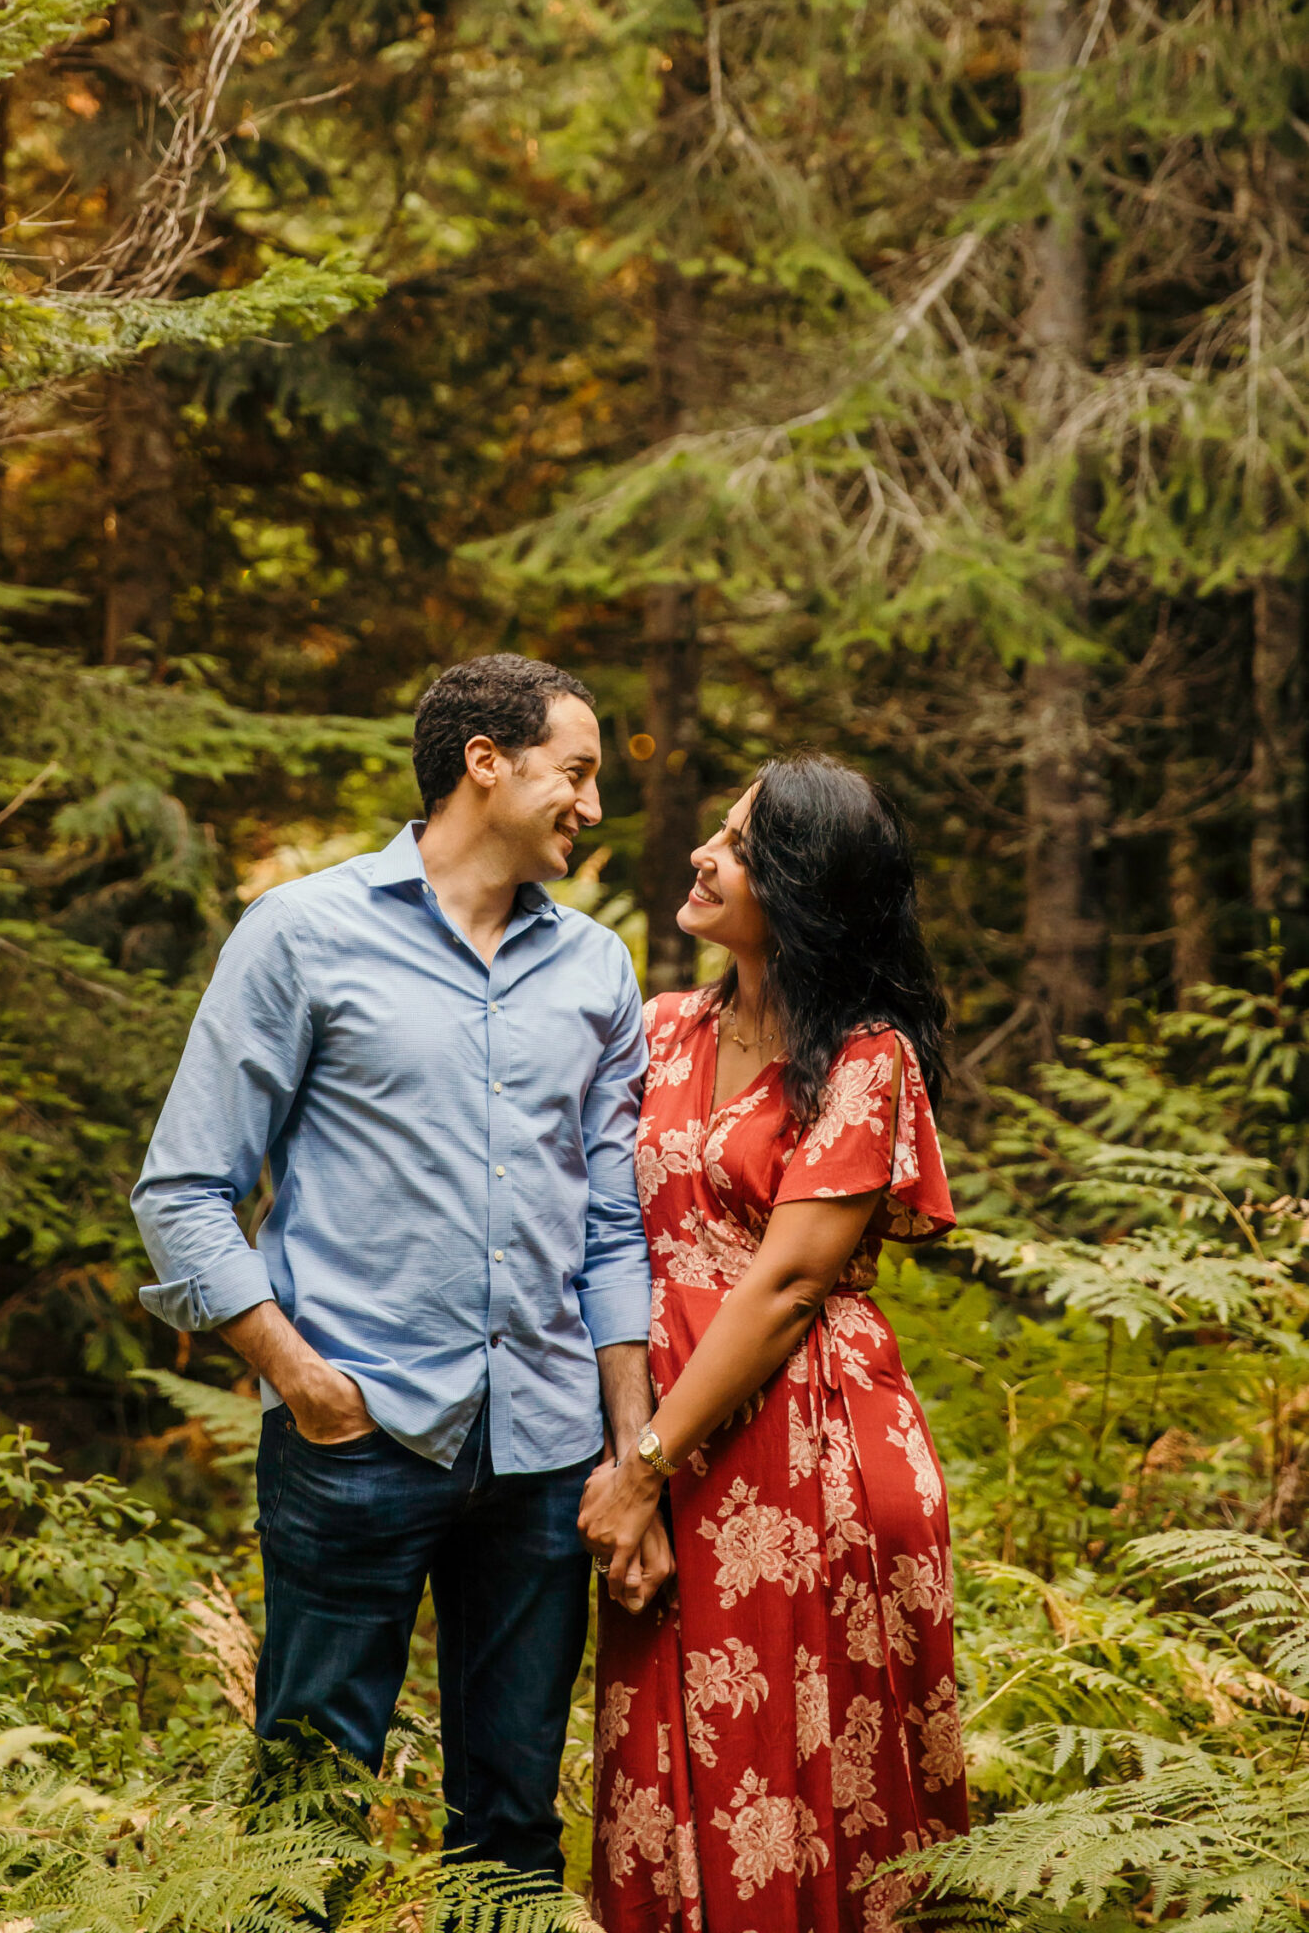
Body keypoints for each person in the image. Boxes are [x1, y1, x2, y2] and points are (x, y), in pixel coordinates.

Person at [132, 653, 672, 1883]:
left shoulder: (596, 971)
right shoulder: (301, 935)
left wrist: (629, 1451)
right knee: (306, 1813)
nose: (593, 804)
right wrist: (296, 1375)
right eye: (575, 772)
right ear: (487, 762)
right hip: (354, 1442)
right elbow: (183, 1191)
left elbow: (608, 1231)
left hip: (544, 1456)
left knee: (515, 1830)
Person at [579, 753, 968, 1933]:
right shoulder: (658, 1031)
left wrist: (642, 1470)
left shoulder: (868, 1060)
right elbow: (606, 1239)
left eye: (741, 846)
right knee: (666, 1758)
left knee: (810, 1772)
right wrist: (632, 1451)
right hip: (668, 1434)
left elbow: (791, 1278)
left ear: (802, 888)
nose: (704, 853)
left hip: (815, 1446)